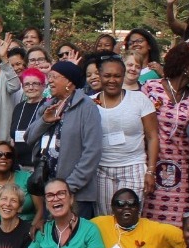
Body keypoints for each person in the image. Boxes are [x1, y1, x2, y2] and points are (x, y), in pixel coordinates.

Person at [26, 61, 104, 218]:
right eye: (49, 77)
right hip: (49, 189)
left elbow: (92, 152)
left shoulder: (87, 106)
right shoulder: (49, 105)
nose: (50, 81)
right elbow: (29, 138)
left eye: (54, 77)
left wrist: (68, 187)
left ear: (69, 81)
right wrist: (44, 121)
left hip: (76, 194)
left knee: (75, 238)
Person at [141, 43, 189, 225]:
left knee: (179, 223)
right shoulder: (150, 89)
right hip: (151, 166)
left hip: (182, 171)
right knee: (149, 222)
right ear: (186, 68)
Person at [94, 56, 159, 215]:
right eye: (107, 76)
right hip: (102, 169)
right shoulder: (90, 103)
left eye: (117, 76)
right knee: (106, 219)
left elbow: (152, 137)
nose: (112, 80)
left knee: (130, 217)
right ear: (99, 76)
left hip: (133, 167)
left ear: (123, 76)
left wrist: (150, 171)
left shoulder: (139, 99)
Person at [9, 68, 46, 170]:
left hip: (38, 165)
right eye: (27, 84)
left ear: (43, 86)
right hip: (18, 164)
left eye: (35, 84)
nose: (31, 87)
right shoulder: (18, 107)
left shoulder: (47, 106)